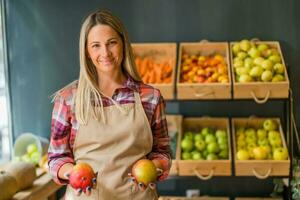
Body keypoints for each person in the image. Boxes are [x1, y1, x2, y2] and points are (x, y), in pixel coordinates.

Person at [48, 9, 171, 200]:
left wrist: (154, 169)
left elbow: (162, 152)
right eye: (95, 46)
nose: (105, 52)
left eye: (111, 43)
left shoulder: (150, 97)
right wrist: (73, 174)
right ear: (87, 52)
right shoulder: (68, 99)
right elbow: (56, 158)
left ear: (123, 44)